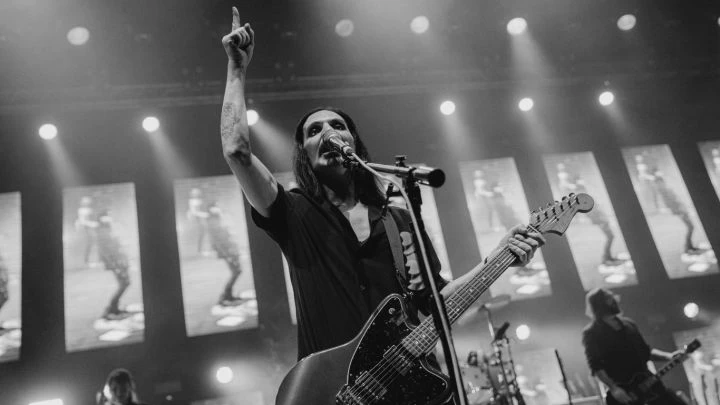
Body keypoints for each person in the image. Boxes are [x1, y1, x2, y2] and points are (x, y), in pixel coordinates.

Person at [219, 6, 544, 362]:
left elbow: (437, 302)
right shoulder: (292, 212)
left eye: (338, 126)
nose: (328, 132)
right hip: (332, 386)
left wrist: (499, 259)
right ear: (305, 156)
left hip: (406, 381)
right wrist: (237, 69)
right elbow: (237, 151)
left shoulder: (398, 220)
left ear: (355, 145)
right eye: (314, 131)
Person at [581, 288, 685, 405]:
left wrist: (669, 356)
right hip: (624, 390)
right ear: (599, 304)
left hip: (648, 381)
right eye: (609, 299)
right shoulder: (592, 332)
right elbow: (596, 366)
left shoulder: (629, 324)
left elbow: (645, 351)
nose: (615, 300)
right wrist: (614, 388)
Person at [205, 201, 246, 306]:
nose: (217, 208)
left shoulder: (218, 218)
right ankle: (225, 296)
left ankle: (228, 295)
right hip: (227, 251)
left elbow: (226, 233)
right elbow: (217, 240)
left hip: (230, 249)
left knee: (237, 271)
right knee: (236, 271)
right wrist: (227, 255)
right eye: (215, 207)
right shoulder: (212, 221)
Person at [95, 210, 132, 320]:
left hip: (119, 260)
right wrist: (113, 265)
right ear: (102, 218)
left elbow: (116, 244)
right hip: (116, 262)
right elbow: (104, 250)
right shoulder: (102, 231)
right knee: (124, 283)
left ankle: (114, 308)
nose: (109, 218)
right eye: (107, 216)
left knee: (125, 283)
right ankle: (111, 309)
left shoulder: (108, 229)